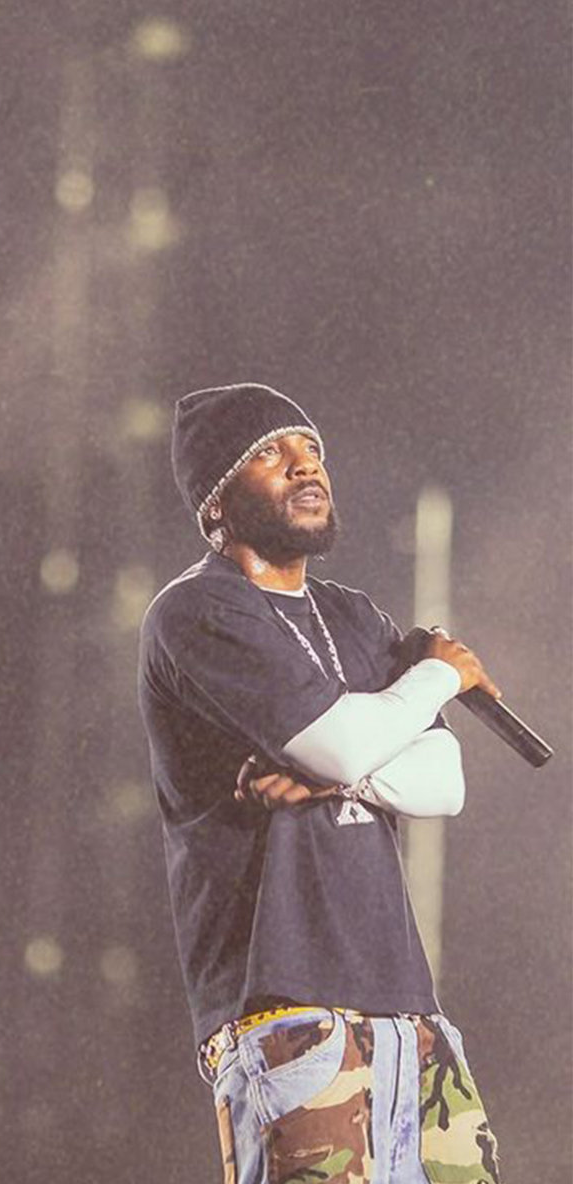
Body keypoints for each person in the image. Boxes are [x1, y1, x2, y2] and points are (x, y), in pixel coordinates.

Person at [136, 382, 502, 1184]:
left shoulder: (354, 616)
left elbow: (442, 782)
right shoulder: (197, 611)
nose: (306, 467)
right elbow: (342, 744)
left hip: (408, 1008)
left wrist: (337, 772)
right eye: (270, 453)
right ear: (215, 501)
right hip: (287, 1007)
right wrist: (438, 677)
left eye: (313, 451)